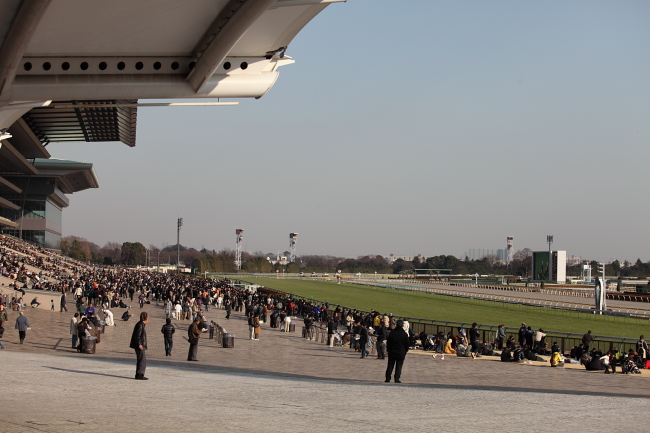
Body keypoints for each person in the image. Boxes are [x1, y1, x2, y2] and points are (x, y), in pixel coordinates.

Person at [385, 319, 409, 383]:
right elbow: (407, 345)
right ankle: (397, 378)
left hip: (392, 351)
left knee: (390, 365)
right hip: (401, 352)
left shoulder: (392, 333)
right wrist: (405, 351)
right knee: (399, 365)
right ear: (402, 325)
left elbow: (388, 342)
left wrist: (388, 350)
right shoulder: (404, 334)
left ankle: (387, 378)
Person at [129, 312, 149, 380]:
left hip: (139, 345)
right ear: (145, 318)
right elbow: (138, 336)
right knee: (142, 360)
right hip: (140, 345)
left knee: (141, 359)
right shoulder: (140, 325)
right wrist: (139, 344)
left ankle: (139, 374)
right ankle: (140, 374)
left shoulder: (141, 324)